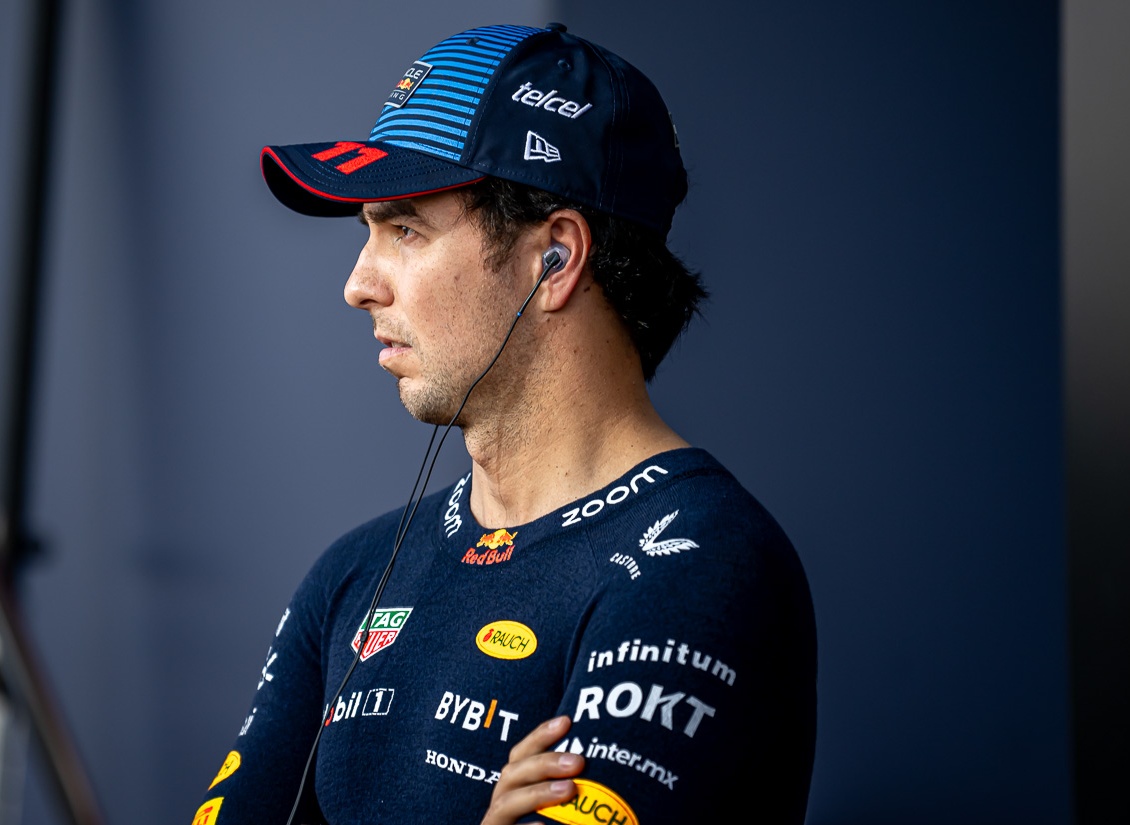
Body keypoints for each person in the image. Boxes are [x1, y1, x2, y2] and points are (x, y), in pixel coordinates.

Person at [195, 23, 815, 825]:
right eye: (366, 233)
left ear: (554, 259)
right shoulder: (353, 573)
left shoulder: (700, 564)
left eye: (406, 228)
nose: (358, 284)